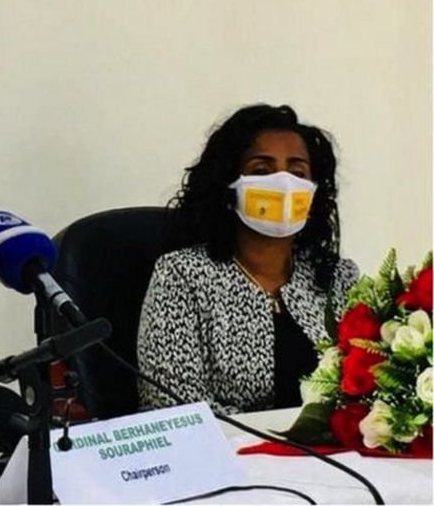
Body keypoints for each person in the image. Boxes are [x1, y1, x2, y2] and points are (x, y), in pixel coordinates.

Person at [137, 104, 358, 415]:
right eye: (262, 171)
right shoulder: (181, 274)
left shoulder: (338, 277)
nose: (283, 184)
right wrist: (277, 437)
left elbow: (368, 387)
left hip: (328, 444)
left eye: (297, 172)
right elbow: (172, 406)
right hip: (230, 445)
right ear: (229, 186)